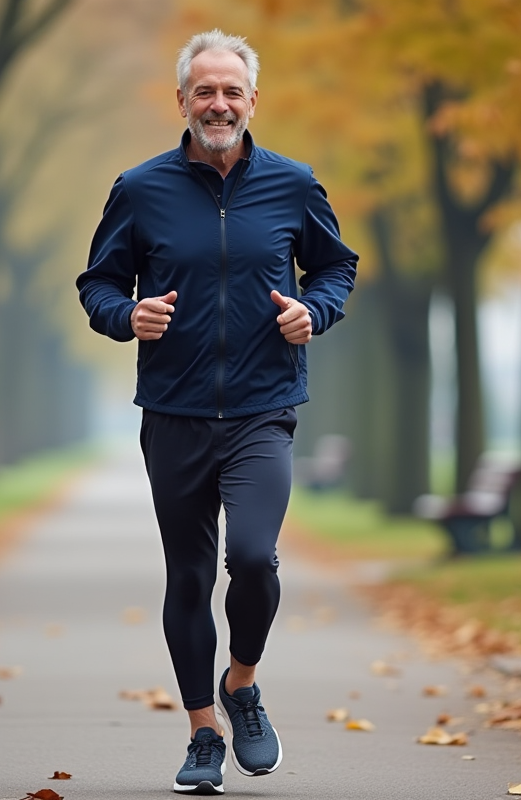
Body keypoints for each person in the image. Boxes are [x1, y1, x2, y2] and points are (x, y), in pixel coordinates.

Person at [76, 29, 357, 796]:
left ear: (252, 100)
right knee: (191, 573)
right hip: (174, 410)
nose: (220, 103)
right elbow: (97, 283)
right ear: (183, 101)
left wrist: (315, 311)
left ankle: (242, 684)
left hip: (265, 408)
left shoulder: (294, 185)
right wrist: (124, 316)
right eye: (206, 90)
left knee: (256, 559)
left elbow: (336, 267)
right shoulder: (140, 188)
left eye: (232, 90)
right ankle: (204, 733)